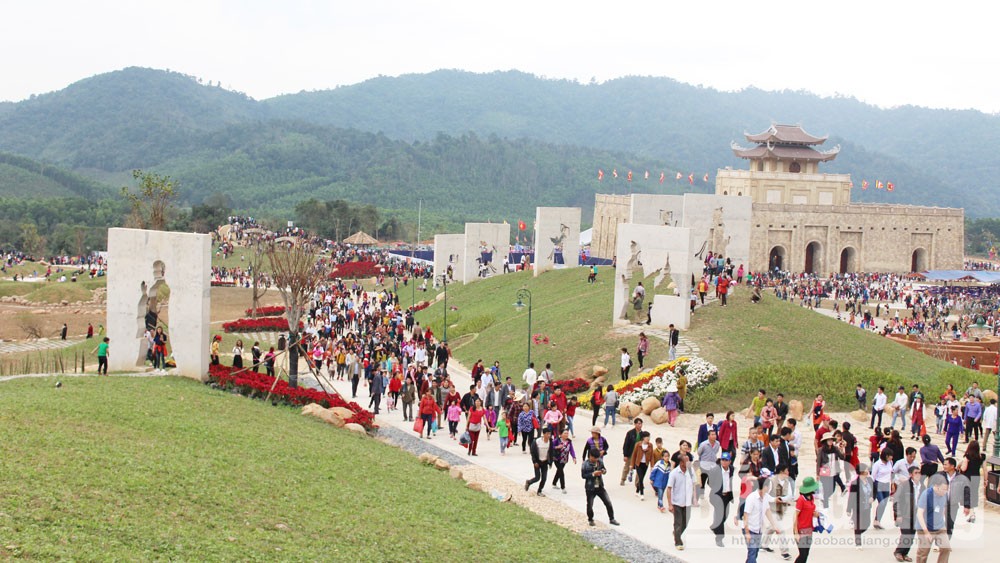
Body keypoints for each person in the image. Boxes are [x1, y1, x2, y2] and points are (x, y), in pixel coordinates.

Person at [915, 475, 952, 563]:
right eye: (943, 489)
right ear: (936, 486)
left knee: (946, 548)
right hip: (925, 527)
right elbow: (919, 513)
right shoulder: (926, 494)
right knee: (923, 553)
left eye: (947, 489)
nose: (945, 491)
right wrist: (926, 532)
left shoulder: (945, 494)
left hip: (939, 527)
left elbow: (943, 508)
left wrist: (942, 523)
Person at [743, 475, 778, 563]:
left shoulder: (765, 497)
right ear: (765, 487)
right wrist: (747, 533)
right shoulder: (751, 498)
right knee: (752, 553)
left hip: (758, 529)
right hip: (750, 529)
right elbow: (746, 515)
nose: (769, 488)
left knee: (754, 553)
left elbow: (767, 511)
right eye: (769, 486)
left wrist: (774, 526)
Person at [582, 447, 619, 526]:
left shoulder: (600, 461)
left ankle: (612, 518)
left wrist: (603, 471)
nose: (596, 460)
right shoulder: (585, 464)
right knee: (590, 505)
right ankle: (590, 519)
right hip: (590, 488)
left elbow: (604, 469)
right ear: (590, 456)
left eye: (597, 458)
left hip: (600, 486)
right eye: (594, 458)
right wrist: (593, 474)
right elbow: (583, 475)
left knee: (608, 502)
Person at [666, 452, 695, 551]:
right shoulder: (674, 473)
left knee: (686, 521)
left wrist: (694, 498)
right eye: (686, 461)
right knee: (678, 522)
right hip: (677, 502)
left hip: (687, 502)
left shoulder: (691, 471)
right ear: (681, 463)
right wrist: (670, 504)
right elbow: (669, 489)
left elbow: (694, 484)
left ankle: (676, 533)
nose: (688, 463)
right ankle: (678, 541)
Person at [894, 465, 922, 562]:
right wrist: (898, 514)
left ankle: (905, 553)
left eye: (919, 473)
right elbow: (896, 500)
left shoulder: (922, 486)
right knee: (906, 534)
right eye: (916, 473)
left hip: (916, 515)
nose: (918, 475)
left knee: (911, 536)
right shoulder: (904, 485)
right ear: (910, 474)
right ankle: (898, 552)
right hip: (905, 514)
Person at [708, 451, 736, 546]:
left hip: (727, 496)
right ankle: (719, 538)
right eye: (722, 460)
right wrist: (718, 488)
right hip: (717, 496)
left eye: (726, 460)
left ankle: (715, 526)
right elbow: (709, 483)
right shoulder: (715, 470)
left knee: (725, 515)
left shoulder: (731, 469)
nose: (724, 462)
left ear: (730, 461)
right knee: (720, 515)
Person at [847, 463, 875, 548]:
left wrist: (872, 497)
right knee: (858, 525)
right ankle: (858, 543)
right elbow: (851, 496)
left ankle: (858, 533)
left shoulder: (870, 480)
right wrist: (848, 509)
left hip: (867, 507)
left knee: (867, 524)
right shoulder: (855, 483)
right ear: (861, 471)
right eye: (866, 469)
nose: (867, 470)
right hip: (858, 507)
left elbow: (875, 490)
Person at [793, 477, 819, 563]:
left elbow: (810, 511)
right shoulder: (801, 500)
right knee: (803, 554)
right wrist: (796, 533)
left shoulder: (811, 498)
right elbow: (795, 516)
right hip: (801, 529)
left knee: (806, 554)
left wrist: (815, 514)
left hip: (809, 529)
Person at [525, 427, 554, 496]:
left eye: (549, 434)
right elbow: (532, 452)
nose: (549, 435)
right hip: (538, 462)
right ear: (543, 434)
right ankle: (529, 482)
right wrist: (534, 462)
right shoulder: (537, 441)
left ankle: (539, 491)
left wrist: (550, 462)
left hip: (545, 462)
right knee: (537, 478)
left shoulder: (550, 442)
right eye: (547, 434)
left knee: (544, 478)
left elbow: (551, 452)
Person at [630, 431, 655, 500]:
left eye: (649, 437)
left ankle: (637, 491)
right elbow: (634, 455)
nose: (648, 438)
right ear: (643, 438)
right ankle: (642, 494)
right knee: (640, 478)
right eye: (647, 437)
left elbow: (652, 456)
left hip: (645, 464)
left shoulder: (650, 445)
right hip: (638, 464)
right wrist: (631, 464)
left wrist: (652, 465)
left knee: (641, 478)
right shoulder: (638, 444)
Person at [551, 429, 577, 494]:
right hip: (557, 459)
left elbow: (571, 450)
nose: (566, 435)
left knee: (559, 471)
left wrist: (574, 457)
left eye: (567, 433)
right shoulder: (557, 440)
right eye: (565, 433)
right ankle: (563, 487)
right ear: (561, 434)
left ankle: (554, 483)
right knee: (561, 472)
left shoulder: (569, 441)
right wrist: (557, 447)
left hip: (564, 459)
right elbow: (550, 447)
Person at [620, 418, 643, 486]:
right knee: (627, 467)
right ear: (635, 424)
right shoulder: (630, 433)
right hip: (631, 453)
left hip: (639, 453)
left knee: (639, 468)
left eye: (641, 424)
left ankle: (637, 482)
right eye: (638, 423)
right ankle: (623, 479)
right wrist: (625, 455)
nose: (640, 425)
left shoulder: (642, 434)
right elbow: (626, 444)